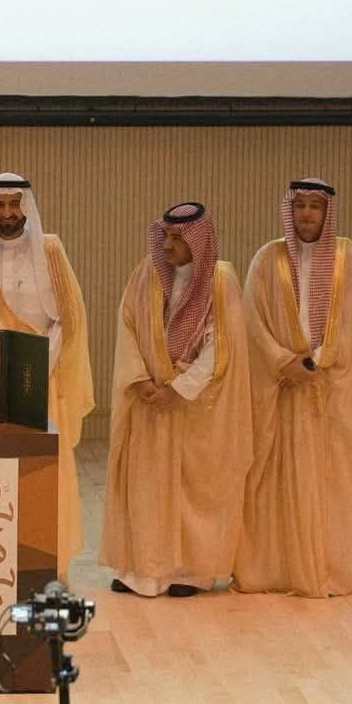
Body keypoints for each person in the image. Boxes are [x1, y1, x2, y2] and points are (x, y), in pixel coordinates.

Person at [233, 178, 352, 597]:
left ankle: (324, 570)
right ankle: (271, 571)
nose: (306, 214)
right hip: (279, 391)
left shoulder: (348, 259)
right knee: (272, 483)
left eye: (315, 206)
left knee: (328, 485)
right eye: (299, 206)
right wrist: (284, 361)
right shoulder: (268, 258)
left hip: (327, 394)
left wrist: (317, 361)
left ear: (327, 212)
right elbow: (251, 320)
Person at [99, 202, 252, 597]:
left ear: (198, 241)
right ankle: (142, 571)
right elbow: (127, 326)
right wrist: (140, 379)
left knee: (192, 490)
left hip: (195, 405)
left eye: (177, 238)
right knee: (145, 487)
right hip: (149, 399)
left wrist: (178, 388)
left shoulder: (221, 281)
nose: (166, 245)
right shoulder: (146, 274)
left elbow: (222, 347)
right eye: (165, 236)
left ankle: (191, 572)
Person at [0, 172, 94, 578]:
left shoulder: (50, 249)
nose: (7, 213)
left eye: (14, 204)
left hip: (41, 380)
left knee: (43, 473)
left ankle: (48, 565)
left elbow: (70, 317)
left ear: (26, 206)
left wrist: (35, 363)